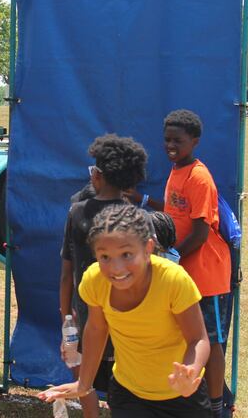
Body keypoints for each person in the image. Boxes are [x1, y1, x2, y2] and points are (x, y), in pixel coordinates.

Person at [40, 204, 211, 418]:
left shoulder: (173, 280)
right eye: (105, 257)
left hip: (183, 400)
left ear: (148, 249)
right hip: (128, 395)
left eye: (127, 254)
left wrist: (190, 372)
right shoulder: (95, 280)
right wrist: (83, 383)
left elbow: (198, 338)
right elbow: (96, 328)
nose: (116, 268)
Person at [130, 109, 232, 418]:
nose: (170, 145)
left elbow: (200, 231)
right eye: (167, 140)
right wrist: (143, 201)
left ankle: (217, 407)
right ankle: (199, 400)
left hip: (207, 275)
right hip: (185, 273)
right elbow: (177, 214)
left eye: (178, 140)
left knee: (211, 341)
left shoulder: (199, 177)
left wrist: (172, 259)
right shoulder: (177, 171)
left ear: (195, 141)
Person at [60, 134, 148, 418]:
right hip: (128, 314)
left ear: (96, 176)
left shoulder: (77, 212)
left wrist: (67, 317)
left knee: (83, 370)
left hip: (87, 311)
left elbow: (66, 271)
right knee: (122, 376)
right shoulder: (135, 217)